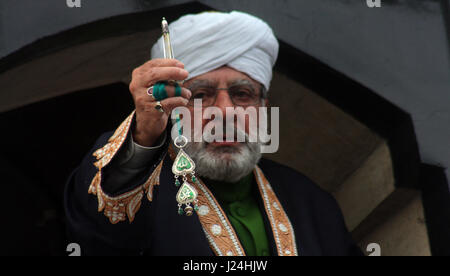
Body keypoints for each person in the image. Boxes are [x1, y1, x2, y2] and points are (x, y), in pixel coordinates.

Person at [64, 11, 362, 256]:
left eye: (242, 94)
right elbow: (101, 222)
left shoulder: (311, 203)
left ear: (263, 107)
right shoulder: (135, 187)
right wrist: (142, 135)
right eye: (200, 95)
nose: (224, 111)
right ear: (172, 107)